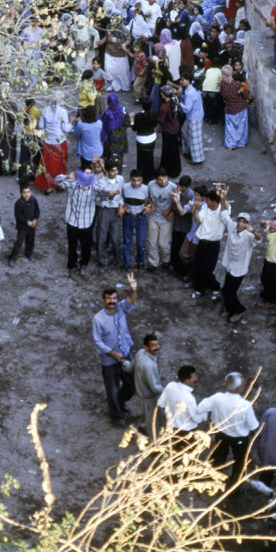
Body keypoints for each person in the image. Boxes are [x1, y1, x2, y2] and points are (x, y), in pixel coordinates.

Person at [198, 372, 259, 488]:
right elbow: (253, 426)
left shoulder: (217, 398)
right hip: (239, 439)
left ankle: (214, 481)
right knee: (240, 463)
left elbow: (200, 408)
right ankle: (234, 488)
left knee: (218, 457)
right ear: (238, 388)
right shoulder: (244, 405)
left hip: (221, 434)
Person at [92, 274, 137, 427]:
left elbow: (131, 300)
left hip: (125, 354)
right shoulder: (98, 319)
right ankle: (117, 417)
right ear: (104, 300)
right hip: (110, 361)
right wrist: (113, 353)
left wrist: (133, 289)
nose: (112, 301)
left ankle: (122, 401)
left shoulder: (121, 309)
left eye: (114, 298)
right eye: (109, 299)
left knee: (132, 385)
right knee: (112, 390)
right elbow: (97, 342)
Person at [219, 187, 261, 322]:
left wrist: (253, 231)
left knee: (229, 292)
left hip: (240, 268)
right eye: (239, 221)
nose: (240, 224)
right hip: (230, 264)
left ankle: (238, 310)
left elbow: (258, 239)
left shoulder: (249, 235)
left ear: (247, 224)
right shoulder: (232, 227)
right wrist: (223, 197)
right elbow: (224, 213)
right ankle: (230, 309)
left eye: (244, 222)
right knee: (226, 289)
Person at [56, 167, 98, 276]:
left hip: (86, 222)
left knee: (86, 245)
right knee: (72, 245)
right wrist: (67, 176)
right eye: (85, 173)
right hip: (72, 221)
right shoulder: (72, 184)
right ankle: (72, 265)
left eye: (90, 173)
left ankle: (84, 264)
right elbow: (57, 181)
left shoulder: (94, 187)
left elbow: (105, 190)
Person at [124, 334, 164, 440]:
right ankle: (154, 444)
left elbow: (129, 368)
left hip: (143, 394)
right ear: (146, 347)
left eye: (157, 344)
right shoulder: (148, 366)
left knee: (152, 416)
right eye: (153, 346)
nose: (157, 347)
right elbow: (155, 388)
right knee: (153, 422)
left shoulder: (140, 353)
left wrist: (124, 363)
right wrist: (170, 390)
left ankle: (144, 428)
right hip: (149, 397)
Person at [189, 189, 227, 299]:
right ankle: (200, 289)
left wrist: (223, 197)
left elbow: (226, 210)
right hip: (202, 242)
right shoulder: (205, 207)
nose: (205, 202)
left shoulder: (222, 210)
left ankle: (216, 287)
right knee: (198, 267)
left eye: (208, 200)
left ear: (215, 202)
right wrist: (195, 210)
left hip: (213, 244)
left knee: (207, 270)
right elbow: (197, 220)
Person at [35, 97, 73, 193]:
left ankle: (48, 186)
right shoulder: (63, 111)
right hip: (59, 141)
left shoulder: (45, 110)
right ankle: (59, 184)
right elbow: (66, 129)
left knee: (47, 164)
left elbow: (40, 126)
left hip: (48, 141)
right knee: (60, 164)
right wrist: (72, 122)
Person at [158, 365, 203, 444]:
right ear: (187, 380)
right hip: (186, 431)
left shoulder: (170, 386)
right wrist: (204, 415)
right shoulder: (189, 398)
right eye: (194, 377)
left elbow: (160, 403)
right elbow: (195, 418)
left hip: (171, 427)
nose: (196, 379)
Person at [95, 159, 124, 271]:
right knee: (101, 237)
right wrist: (108, 195)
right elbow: (99, 197)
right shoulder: (101, 182)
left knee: (116, 238)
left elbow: (122, 195)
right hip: (104, 209)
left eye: (116, 170)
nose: (115, 173)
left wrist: (121, 206)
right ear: (107, 171)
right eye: (112, 171)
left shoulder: (120, 179)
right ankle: (101, 262)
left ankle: (116, 260)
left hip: (116, 210)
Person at [146, 168, 176, 272]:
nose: (162, 182)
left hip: (166, 219)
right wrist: (151, 204)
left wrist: (169, 211)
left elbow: (175, 202)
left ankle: (166, 260)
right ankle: (153, 262)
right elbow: (148, 196)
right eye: (160, 179)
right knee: (152, 242)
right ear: (155, 179)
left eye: (164, 179)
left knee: (164, 243)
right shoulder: (151, 185)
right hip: (153, 217)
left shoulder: (173, 187)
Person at [120, 169, 150, 271]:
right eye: (134, 180)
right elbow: (121, 199)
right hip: (128, 216)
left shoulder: (146, 189)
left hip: (140, 217)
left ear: (142, 180)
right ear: (130, 179)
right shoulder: (125, 187)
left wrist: (148, 207)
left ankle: (140, 262)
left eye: (138, 180)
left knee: (141, 243)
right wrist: (122, 207)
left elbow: (149, 201)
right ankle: (126, 263)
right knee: (127, 241)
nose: (136, 183)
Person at [220, 64, 251, 150]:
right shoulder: (238, 84)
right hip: (240, 107)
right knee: (242, 126)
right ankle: (241, 143)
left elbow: (222, 94)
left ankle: (230, 145)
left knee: (230, 128)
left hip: (229, 108)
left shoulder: (222, 84)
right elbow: (246, 94)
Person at [8, 184, 39, 266]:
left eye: (28, 192)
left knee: (31, 240)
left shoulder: (33, 200)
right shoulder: (18, 203)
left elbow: (37, 210)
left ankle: (29, 253)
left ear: (31, 192)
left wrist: (35, 219)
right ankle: (12, 257)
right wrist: (26, 222)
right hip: (22, 227)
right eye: (24, 192)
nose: (27, 194)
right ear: (21, 193)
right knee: (19, 241)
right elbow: (18, 216)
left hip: (32, 225)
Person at [169, 176, 194, 277]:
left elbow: (181, 210)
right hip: (177, 225)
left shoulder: (189, 195)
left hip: (184, 226)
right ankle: (175, 267)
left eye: (182, 186)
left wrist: (176, 201)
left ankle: (182, 270)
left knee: (180, 249)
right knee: (175, 247)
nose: (180, 188)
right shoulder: (177, 190)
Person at [258, 217, 276, 308]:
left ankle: (271, 301)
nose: (273, 226)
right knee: (264, 278)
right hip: (268, 260)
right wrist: (266, 221)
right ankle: (268, 293)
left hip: (274, 263)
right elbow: (261, 223)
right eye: (272, 224)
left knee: (271, 282)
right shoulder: (269, 231)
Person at [179, 70, 205, 164]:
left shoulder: (190, 93)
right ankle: (186, 151)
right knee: (184, 131)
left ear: (187, 80)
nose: (180, 82)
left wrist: (179, 104)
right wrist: (181, 97)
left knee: (195, 139)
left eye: (182, 80)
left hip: (194, 117)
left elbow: (187, 109)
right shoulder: (192, 89)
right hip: (196, 115)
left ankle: (197, 159)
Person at [130, 98, 157, 184]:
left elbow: (134, 128)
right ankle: (150, 175)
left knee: (141, 158)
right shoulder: (154, 114)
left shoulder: (138, 116)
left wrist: (131, 120)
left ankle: (142, 175)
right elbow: (155, 124)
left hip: (142, 140)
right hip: (152, 138)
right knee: (149, 156)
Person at [158, 86, 182, 179]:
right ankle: (176, 170)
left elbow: (161, 120)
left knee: (167, 151)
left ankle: (167, 169)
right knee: (175, 151)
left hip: (168, 130)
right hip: (175, 128)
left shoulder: (164, 107)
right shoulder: (175, 101)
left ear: (164, 94)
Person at [100, 92, 130, 166]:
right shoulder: (123, 110)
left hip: (110, 142)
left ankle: (109, 172)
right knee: (118, 158)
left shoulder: (107, 113)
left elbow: (103, 126)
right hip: (120, 141)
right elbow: (127, 124)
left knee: (109, 159)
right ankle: (118, 171)